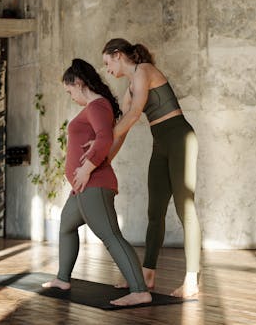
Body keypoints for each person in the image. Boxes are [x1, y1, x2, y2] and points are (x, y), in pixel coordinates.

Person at [42, 58, 152, 306]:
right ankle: (62, 279)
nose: (69, 95)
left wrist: (85, 171)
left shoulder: (97, 106)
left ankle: (139, 290)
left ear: (79, 83)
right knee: (66, 226)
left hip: (94, 184)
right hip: (82, 188)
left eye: (69, 90)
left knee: (111, 235)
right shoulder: (93, 107)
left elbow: (104, 139)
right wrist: (77, 179)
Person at [100, 38, 202, 298]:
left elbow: (134, 116)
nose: (106, 69)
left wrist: (103, 140)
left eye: (107, 63)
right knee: (154, 211)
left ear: (118, 54)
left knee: (185, 208)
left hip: (180, 138)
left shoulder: (143, 71)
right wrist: (104, 159)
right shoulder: (130, 86)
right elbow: (122, 129)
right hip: (160, 143)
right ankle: (147, 274)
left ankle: (192, 280)